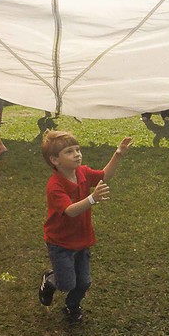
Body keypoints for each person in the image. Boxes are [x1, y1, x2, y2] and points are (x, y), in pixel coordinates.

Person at [37, 130, 132, 323]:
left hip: (82, 239)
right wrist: (92, 198)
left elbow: (104, 175)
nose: (77, 154)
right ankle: (50, 280)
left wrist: (118, 154)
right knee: (66, 283)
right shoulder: (55, 185)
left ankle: (72, 306)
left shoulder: (82, 172)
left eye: (78, 149)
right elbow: (70, 211)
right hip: (60, 243)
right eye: (70, 151)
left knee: (84, 282)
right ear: (55, 160)